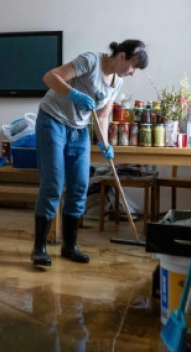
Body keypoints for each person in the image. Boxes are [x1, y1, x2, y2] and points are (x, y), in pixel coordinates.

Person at [31, 39, 148, 266]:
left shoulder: (117, 82)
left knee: (79, 186)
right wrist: (73, 94)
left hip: (79, 129)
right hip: (53, 120)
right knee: (53, 184)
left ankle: (70, 246)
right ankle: (39, 248)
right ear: (121, 56)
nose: (133, 73)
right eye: (133, 66)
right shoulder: (90, 61)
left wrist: (105, 143)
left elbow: (102, 116)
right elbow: (50, 77)